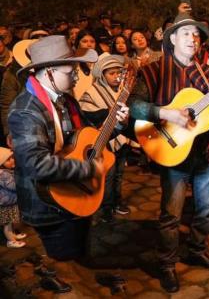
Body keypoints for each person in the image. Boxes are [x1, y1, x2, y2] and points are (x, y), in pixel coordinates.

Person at [8, 35, 129, 293]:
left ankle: (78, 275)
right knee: (64, 258)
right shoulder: (25, 111)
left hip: (74, 194)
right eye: (70, 70)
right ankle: (63, 278)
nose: (76, 75)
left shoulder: (65, 99)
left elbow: (88, 138)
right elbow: (35, 164)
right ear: (49, 72)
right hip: (49, 204)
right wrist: (87, 169)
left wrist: (115, 124)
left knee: (77, 249)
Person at [128, 12, 209, 293]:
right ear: (172, 39)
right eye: (187, 33)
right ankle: (166, 263)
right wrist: (167, 114)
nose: (193, 38)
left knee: (204, 210)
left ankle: (197, 250)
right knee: (171, 214)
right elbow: (134, 106)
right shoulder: (153, 70)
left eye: (197, 35)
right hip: (173, 152)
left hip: (205, 153)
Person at [79, 53, 131, 222]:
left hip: (121, 137)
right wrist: (108, 115)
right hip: (103, 140)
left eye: (119, 73)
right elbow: (88, 115)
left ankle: (117, 201)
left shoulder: (123, 91)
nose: (116, 77)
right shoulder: (91, 93)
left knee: (119, 173)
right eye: (112, 73)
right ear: (102, 74)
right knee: (108, 175)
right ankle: (106, 208)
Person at [0, 146, 26, 248]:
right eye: (8, 160)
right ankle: (11, 241)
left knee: (11, 222)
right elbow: (14, 186)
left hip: (10, 202)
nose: (12, 160)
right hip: (6, 205)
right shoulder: (3, 175)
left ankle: (13, 235)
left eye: (12, 157)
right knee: (7, 224)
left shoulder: (6, 173)